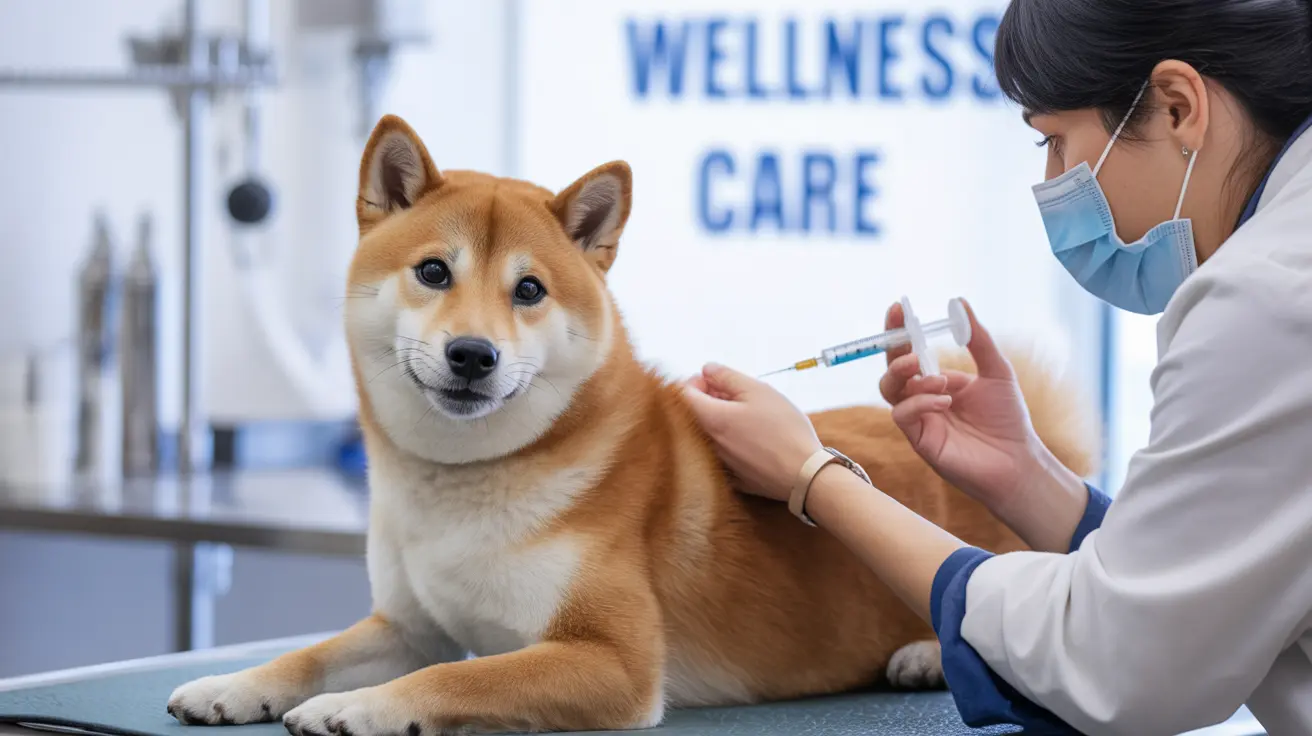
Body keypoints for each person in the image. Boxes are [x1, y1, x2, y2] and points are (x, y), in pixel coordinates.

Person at [681, 0, 1312, 734]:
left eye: (1053, 140)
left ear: (1177, 108)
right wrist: (1023, 474)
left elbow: (1120, 660)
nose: (1049, 181)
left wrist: (815, 479)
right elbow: (1203, 579)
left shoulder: (1266, 297)